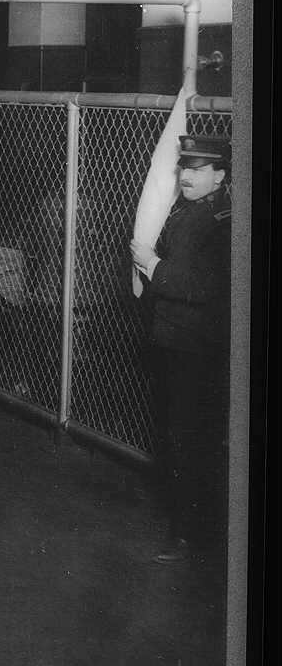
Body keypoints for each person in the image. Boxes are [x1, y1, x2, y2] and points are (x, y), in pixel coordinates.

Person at [129, 134, 231, 563]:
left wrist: (151, 265)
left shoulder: (221, 223)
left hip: (195, 346)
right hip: (173, 340)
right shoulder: (188, 212)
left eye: (198, 169)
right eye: (185, 168)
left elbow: (202, 287)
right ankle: (189, 528)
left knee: (191, 438)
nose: (187, 176)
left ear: (220, 176)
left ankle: (193, 536)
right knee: (177, 435)